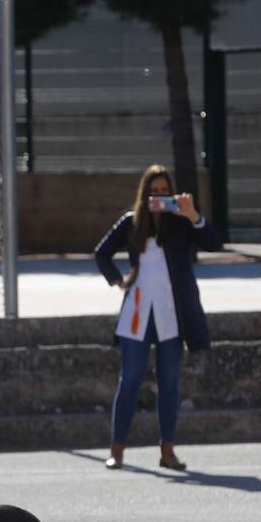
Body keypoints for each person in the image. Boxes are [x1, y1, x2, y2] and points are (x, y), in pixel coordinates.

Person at [94, 164, 223, 472]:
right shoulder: (131, 223)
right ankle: (117, 450)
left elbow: (214, 243)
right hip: (138, 311)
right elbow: (101, 253)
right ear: (145, 193)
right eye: (155, 192)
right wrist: (118, 281)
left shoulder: (181, 223)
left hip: (172, 313)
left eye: (166, 192)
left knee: (169, 381)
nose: (160, 197)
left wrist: (193, 215)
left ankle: (167, 452)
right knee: (131, 378)